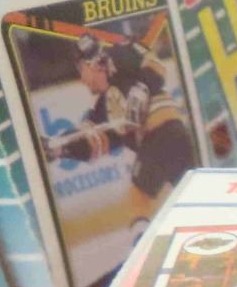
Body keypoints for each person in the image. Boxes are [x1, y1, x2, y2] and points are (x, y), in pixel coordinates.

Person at [48, 34, 194, 223]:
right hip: (175, 138)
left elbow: (155, 64)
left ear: (90, 64)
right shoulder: (103, 108)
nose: (82, 80)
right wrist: (60, 148)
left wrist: (141, 89)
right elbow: (92, 143)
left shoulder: (119, 55)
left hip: (162, 133)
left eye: (80, 70)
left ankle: (142, 239)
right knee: (193, 194)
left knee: (138, 200)